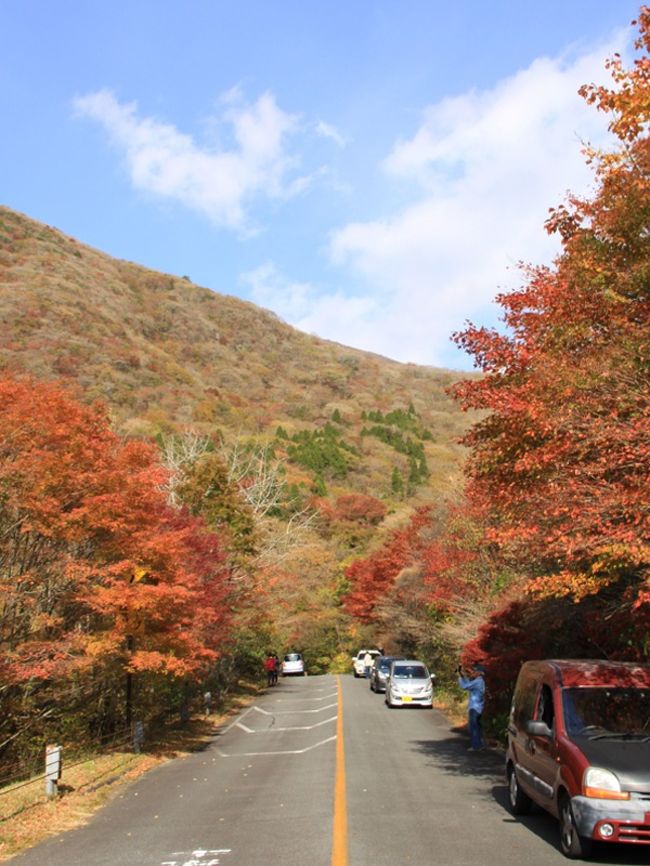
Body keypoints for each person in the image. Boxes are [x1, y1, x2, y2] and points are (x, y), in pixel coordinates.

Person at [458, 663, 486, 751]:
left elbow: (464, 686)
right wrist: (462, 676)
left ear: (480, 672)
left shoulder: (478, 681)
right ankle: (480, 745)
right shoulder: (479, 681)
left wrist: (459, 677)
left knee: (473, 728)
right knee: (477, 727)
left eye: (475, 671)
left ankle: (475, 746)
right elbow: (469, 683)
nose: (473, 672)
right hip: (479, 708)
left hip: (474, 708)